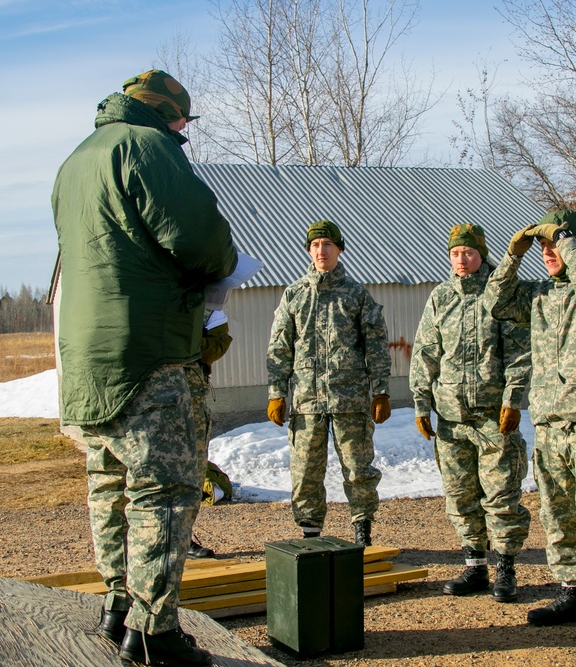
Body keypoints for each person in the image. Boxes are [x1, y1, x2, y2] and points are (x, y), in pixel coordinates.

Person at [52, 69, 237, 667]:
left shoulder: (76, 161)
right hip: (149, 352)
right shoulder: (148, 147)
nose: (185, 131)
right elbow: (201, 239)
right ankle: (154, 633)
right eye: (183, 120)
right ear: (167, 114)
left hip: (86, 357)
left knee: (109, 480)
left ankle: (117, 607)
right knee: (164, 488)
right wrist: (223, 264)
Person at [484, 210, 576, 638]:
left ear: (575, 247)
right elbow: (495, 302)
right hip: (549, 425)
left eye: (554, 247)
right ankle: (573, 590)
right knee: (558, 517)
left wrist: (567, 241)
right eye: (542, 248)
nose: (547, 254)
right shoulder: (539, 296)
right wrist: (512, 256)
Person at [409, 223, 532, 603]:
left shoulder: (500, 295)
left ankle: (506, 568)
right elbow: (426, 352)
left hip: (493, 417)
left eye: (469, 253)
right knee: (461, 496)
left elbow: (519, 353)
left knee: (500, 496)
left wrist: (513, 400)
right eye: (455, 254)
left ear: (482, 255)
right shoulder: (440, 297)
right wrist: (421, 402)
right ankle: (475, 565)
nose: (461, 261)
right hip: (451, 418)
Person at [265, 220, 391, 546]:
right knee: (305, 472)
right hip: (306, 401)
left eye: (328, 245)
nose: (321, 251)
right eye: (316, 245)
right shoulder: (294, 295)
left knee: (359, 469)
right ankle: (310, 534)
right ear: (309, 251)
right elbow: (280, 347)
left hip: (349, 399)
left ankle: (363, 530)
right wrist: (276, 393)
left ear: (339, 249)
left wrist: (381, 391)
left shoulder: (356, 295)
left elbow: (375, 345)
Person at [186, 319, 234, 559]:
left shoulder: (205, 304)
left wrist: (181, 337)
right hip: (143, 397)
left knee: (193, 472)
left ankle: (181, 537)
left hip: (191, 398)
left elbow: (217, 345)